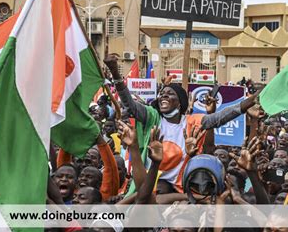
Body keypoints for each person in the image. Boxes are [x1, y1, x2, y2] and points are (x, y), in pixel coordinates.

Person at [104, 53, 259, 191]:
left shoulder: (193, 122)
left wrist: (248, 102)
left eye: (169, 94)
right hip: (150, 184)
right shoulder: (152, 117)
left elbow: (219, 118)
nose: (163, 96)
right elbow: (129, 105)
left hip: (182, 187)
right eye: (162, 94)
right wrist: (115, 73)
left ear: (179, 103)